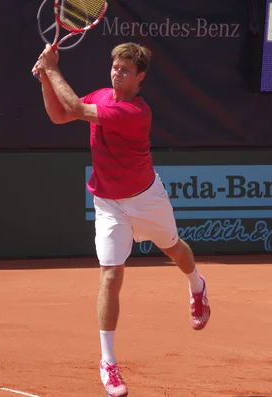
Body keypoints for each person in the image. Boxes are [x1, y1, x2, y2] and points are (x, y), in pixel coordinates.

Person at [32, 42, 211, 397]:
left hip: (147, 198)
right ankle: (108, 363)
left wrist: (52, 69)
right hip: (108, 202)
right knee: (111, 275)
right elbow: (59, 115)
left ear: (140, 77)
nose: (117, 73)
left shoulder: (135, 112)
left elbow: (74, 107)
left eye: (126, 70)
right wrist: (43, 81)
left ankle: (197, 285)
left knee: (175, 249)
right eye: (115, 67)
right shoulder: (102, 95)